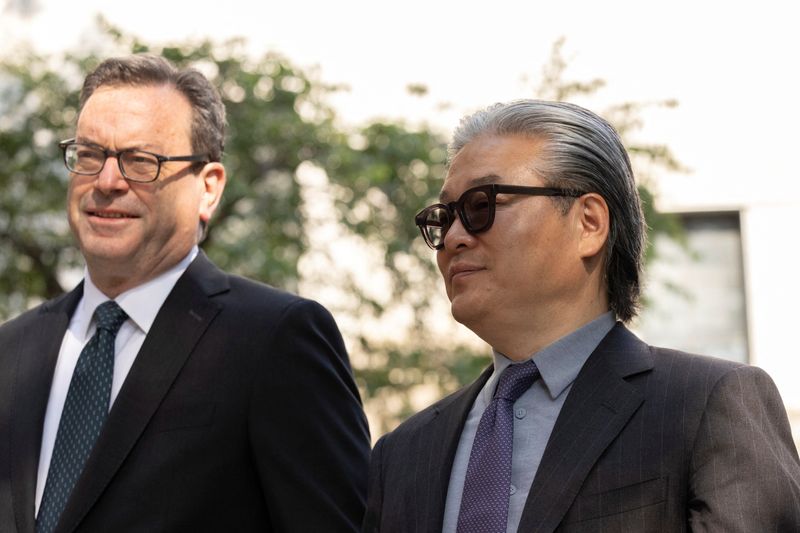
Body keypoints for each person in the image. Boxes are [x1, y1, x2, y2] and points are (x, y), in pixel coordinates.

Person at [363, 99, 800, 532]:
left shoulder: (706, 404)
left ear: (588, 223)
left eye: (481, 206)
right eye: (444, 217)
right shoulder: (402, 454)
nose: (454, 237)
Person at [0, 54, 370, 533]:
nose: (108, 182)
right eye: (89, 155)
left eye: (140, 161)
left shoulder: (273, 340)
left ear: (209, 188)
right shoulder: (11, 352)